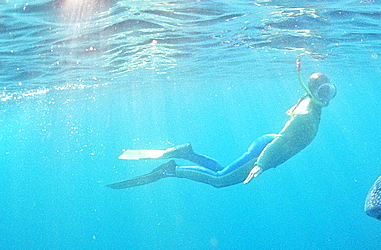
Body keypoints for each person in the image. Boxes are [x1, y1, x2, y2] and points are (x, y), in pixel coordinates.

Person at [107, 67, 336, 189]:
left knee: (224, 170)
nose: (326, 97)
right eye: (322, 92)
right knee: (220, 181)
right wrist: (261, 165)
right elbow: (281, 141)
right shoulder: (306, 114)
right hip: (268, 150)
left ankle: (188, 153)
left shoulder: (312, 106)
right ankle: (171, 170)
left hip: (268, 146)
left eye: (329, 91)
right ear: (311, 91)